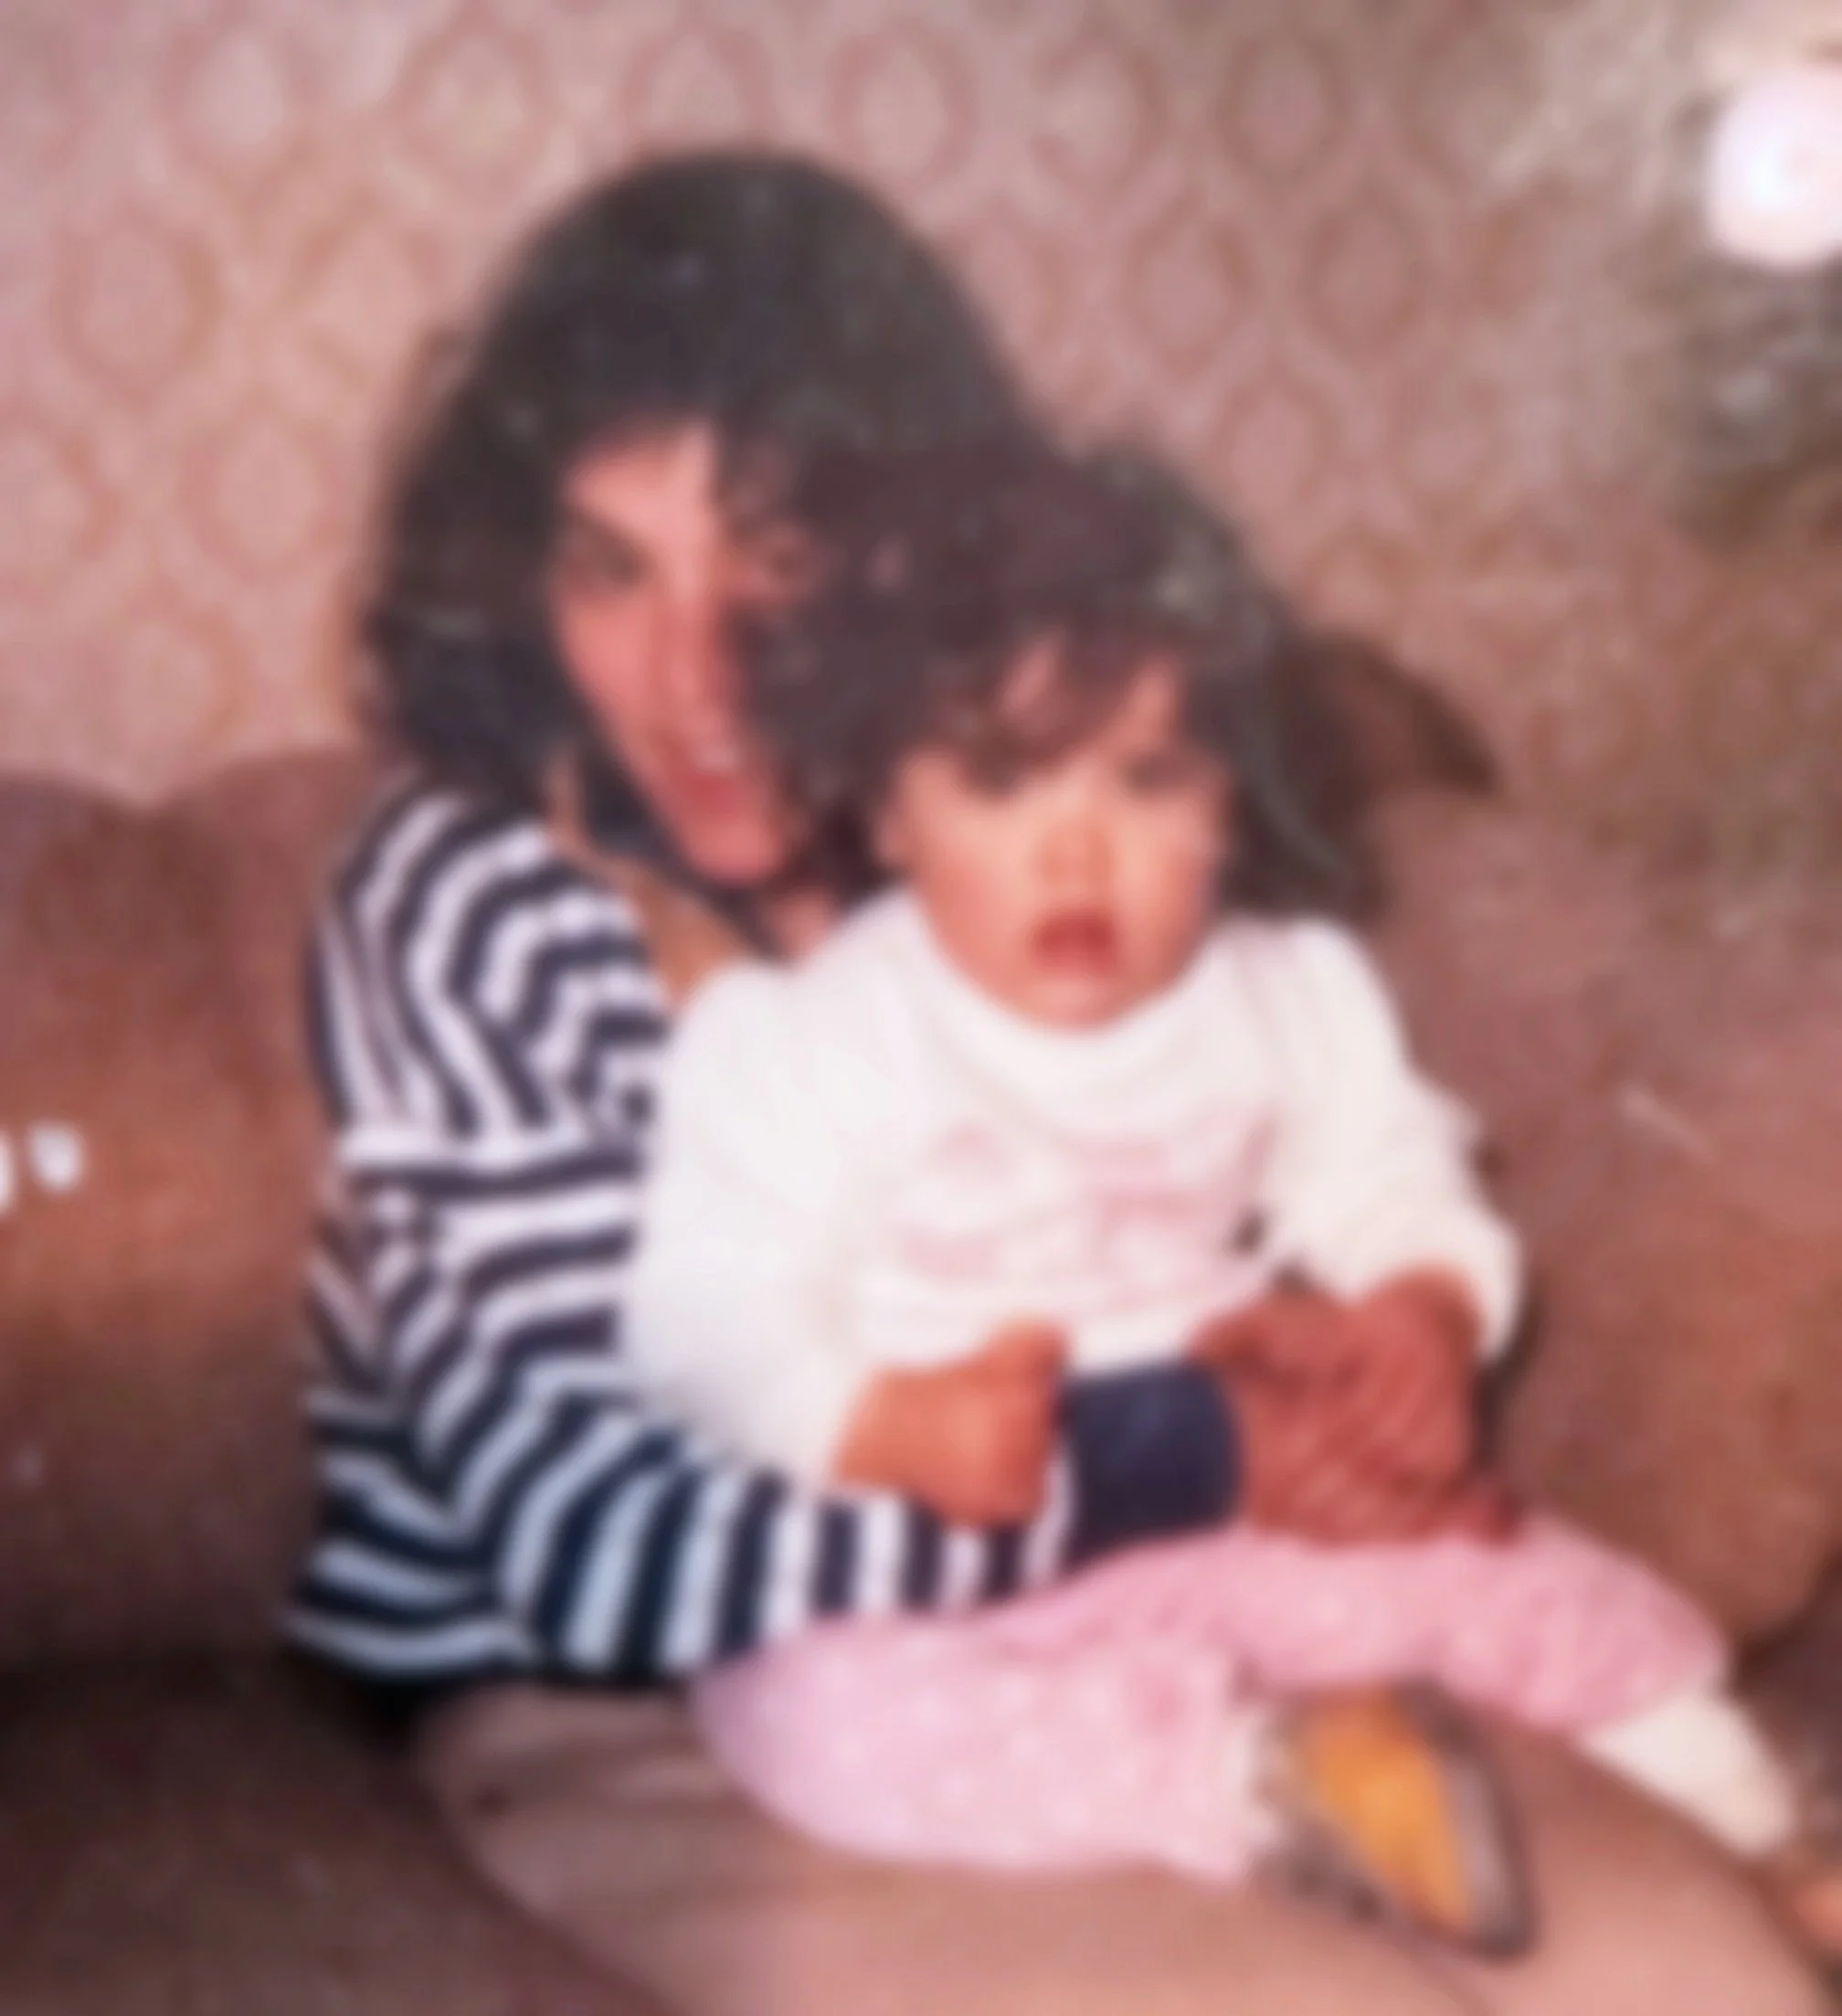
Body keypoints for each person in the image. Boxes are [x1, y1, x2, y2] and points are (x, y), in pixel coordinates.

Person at [291, 146, 1828, 2015]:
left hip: (1147, 1582)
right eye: (609, 568)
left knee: (1701, 1984)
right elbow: (592, 1543)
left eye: (766, 564)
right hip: (667, 1693)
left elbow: (1164, 1203)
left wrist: (1344, 1385)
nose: (691, 680)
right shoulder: (468, 898)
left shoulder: (999, 820)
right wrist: (1194, 1447)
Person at [624, 439, 1810, 1947]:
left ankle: (1764, 1835)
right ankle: (1265, 1773)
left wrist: (1424, 1314)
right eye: (999, 776)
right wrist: (873, 1421)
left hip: (1247, 1505)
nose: (1077, 846)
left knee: (1516, 1577)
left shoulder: (1284, 993)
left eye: (1148, 774)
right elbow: (701, 1319)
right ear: (886, 806)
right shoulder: (808, 1041)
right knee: (802, 1710)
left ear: (1229, 805)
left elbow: (1391, 1172)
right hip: (934, 1559)